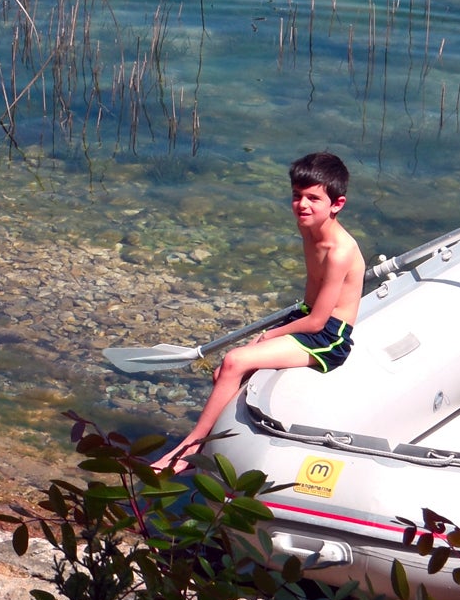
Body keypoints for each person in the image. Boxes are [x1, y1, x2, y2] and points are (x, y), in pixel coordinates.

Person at [153, 152, 364, 473]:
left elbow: (320, 321)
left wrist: (271, 334)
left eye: (313, 198)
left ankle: (189, 448)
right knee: (223, 373)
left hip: (328, 338)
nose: (302, 205)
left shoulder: (340, 252)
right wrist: (285, 327)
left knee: (235, 360)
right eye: (297, 196)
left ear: (337, 204)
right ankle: (218, 445)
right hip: (306, 318)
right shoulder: (308, 228)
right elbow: (312, 298)